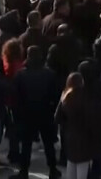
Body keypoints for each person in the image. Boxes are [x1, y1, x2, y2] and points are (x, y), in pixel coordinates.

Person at [11, 45, 60, 179]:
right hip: (45, 113)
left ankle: (24, 171)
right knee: (48, 143)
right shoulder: (49, 74)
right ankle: (53, 169)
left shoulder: (21, 75)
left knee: (26, 145)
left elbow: (15, 96)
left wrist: (18, 114)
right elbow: (56, 95)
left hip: (27, 114)